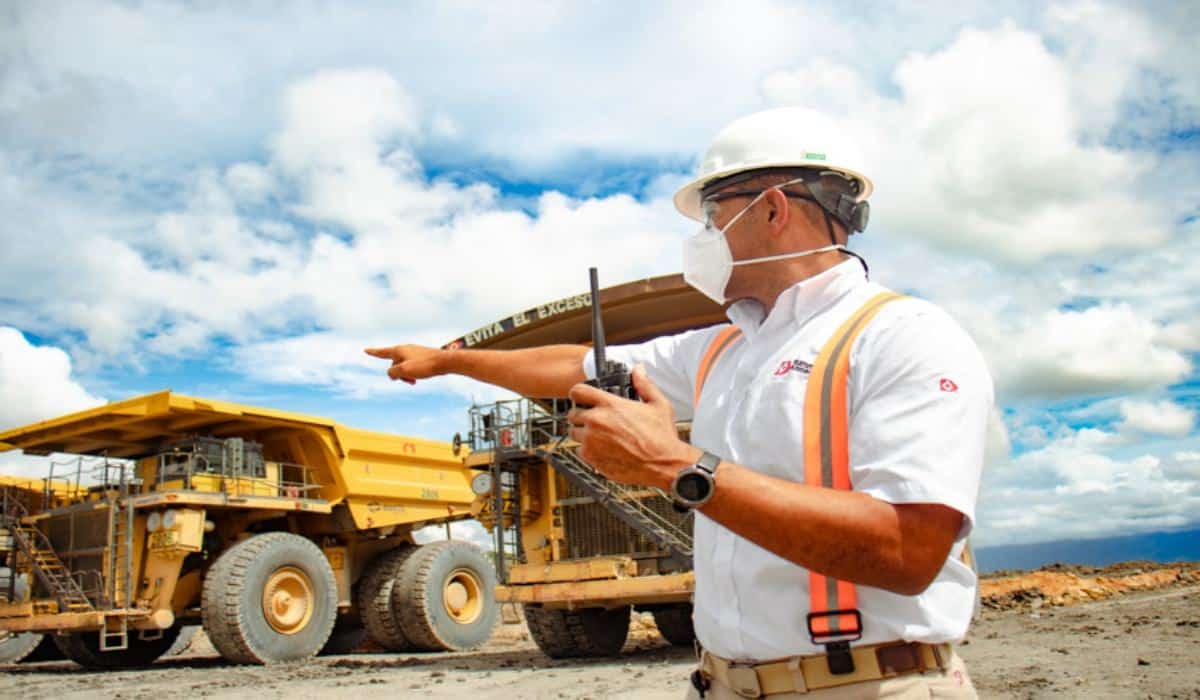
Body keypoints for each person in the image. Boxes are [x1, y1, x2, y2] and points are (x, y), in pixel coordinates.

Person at [366, 107, 991, 698]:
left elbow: (908, 552)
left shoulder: (904, 337)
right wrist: (449, 360)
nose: (705, 236)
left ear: (772, 208)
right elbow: (572, 364)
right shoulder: (724, 348)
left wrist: (674, 466)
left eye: (713, 215)